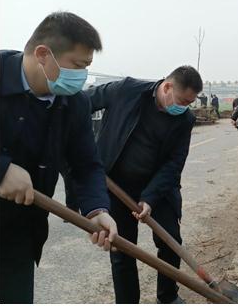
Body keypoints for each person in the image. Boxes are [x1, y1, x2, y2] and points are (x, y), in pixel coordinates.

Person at [0, 12, 117, 303]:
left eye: (87, 67)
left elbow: (85, 164)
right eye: (78, 65)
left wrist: (97, 209)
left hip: (18, 231)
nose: (82, 76)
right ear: (43, 54)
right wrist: (1, 169)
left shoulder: (74, 103)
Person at [85, 66, 202, 304]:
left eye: (190, 103)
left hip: (159, 189)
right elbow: (82, 103)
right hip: (116, 186)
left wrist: (150, 197)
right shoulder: (127, 90)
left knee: (171, 242)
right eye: (182, 101)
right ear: (167, 87)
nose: (184, 107)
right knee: (122, 249)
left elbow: (174, 162)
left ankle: (168, 297)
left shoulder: (185, 119)